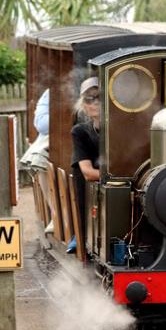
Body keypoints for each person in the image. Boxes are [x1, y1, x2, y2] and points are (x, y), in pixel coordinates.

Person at [70, 77, 101, 253]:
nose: (95, 103)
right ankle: (82, 236)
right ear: (84, 105)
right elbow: (88, 173)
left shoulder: (123, 129)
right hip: (89, 188)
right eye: (90, 99)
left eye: (99, 97)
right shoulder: (80, 132)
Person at [20, 88, 54, 234]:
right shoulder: (50, 92)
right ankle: (56, 214)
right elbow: (41, 124)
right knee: (39, 158)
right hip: (57, 136)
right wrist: (63, 115)